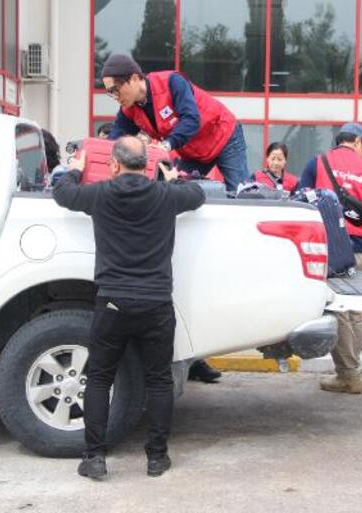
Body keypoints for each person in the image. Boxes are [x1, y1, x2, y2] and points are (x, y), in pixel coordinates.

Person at [53, 136, 205, 479]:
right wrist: (174, 177)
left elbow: (63, 194)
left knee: (99, 378)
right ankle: (156, 457)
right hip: (156, 303)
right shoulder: (166, 196)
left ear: (115, 165)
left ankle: (94, 457)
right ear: (148, 165)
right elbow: (197, 195)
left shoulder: (100, 194)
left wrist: (74, 170)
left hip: (112, 302)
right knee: (159, 381)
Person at [299, 123, 362, 394]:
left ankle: (348, 374)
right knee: (356, 308)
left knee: (338, 308)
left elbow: (302, 200)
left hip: (332, 246)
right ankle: (351, 371)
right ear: (357, 142)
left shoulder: (318, 162)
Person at [100, 54, 247, 192]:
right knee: (169, 188)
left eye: (115, 90)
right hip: (192, 153)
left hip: (224, 137)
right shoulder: (129, 110)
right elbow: (114, 141)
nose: (114, 97)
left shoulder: (171, 82)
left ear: (133, 79)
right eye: (109, 93)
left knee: (240, 192)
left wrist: (166, 145)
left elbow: (191, 119)